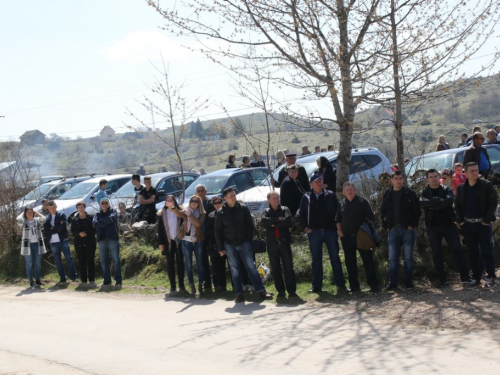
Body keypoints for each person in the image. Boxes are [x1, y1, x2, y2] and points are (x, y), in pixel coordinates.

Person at [215, 187, 273, 302]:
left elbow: (249, 226)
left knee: (251, 267)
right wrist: (220, 247)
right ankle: (239, 294)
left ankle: (261, 291)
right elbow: (218, 231)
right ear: (225, 198)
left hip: (244, 243)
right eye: (230, 196)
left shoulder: (243, 208)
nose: (233, 197)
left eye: (234, 195)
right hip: (229, 245)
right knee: (234, 270)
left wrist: (248, 240)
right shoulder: (220, 212)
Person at [419, 169, 470, 287]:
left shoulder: (446, 189)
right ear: (427, 179)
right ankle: (442, 279)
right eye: (431, 177)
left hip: (448, 225)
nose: (433, 179)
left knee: (457, 250)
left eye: (435, 176)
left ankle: (465, 276)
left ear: (439, 177)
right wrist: (438, 200)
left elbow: (449, 201)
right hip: (432, 227)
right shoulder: (424, 192)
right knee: (436, 253)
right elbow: (422, 204)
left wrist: (432, 205)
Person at [299, 175, 345, 293]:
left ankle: (340, 283)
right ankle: (317, 286)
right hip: (314, 233)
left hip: (330, 231)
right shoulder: (306, 197)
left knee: (335, 258)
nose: (319, 183)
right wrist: (305, 228)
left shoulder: (330, 195)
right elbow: (301, 215)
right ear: (311, 184)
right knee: (316, 259)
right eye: (316, 181)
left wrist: (337, 227)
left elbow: (338, 211)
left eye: (320, 181)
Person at [455, 162, 497, 289]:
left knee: (487, 251)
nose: (475, 173)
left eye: (476, 170)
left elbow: (493, 202)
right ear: (466, 173)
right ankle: (476, 276)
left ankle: (490, 276)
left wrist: (486, 220)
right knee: (473, 252)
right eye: (472, 171)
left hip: (482, 224)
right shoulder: (462, 188)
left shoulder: (486, 185)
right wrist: (461, 221)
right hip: (468, 225)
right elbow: (457, 205)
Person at [380, 171, 421, 290]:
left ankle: (408, 283)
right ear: (392, 180)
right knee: (392, 258)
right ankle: (393, 283)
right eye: (396, 178)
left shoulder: (410, 193)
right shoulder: (387, 194)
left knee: (408, 257)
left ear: (403, 180)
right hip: (392, 230)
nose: (398, 181)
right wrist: (386, 225)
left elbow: (417, 211)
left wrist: (411, 225)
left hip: (407, 230)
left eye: (400, 178)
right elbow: (382, 212)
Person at [336, 183, 379, 292]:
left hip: (362, 237)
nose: (349, 191)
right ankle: (354, 286)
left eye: (351, 189)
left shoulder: (362, 201)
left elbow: (371, 218)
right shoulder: (341, 204)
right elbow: (338, 220)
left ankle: (373, 285)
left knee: (368, 260)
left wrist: (364, 231)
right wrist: (341, 233)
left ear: (355, 190)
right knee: (350, 262)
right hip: (347, 238)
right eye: (347, 190)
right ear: (344, 192)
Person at [261, 191, 297, 298]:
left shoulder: (285, 209)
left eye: (277, 198)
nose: (276, 200)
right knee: (275, 268)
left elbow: (287, 221)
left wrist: (273, 224)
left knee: (288, 267)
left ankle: (291, 291)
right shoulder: (266, 211)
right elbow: (264, 221)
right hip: (272, 244)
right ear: (269, 200)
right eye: (274, 198)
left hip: (284, 242)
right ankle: (280, 291)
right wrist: (277, 219)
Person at [174, 195, 206, 295]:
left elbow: (198, 224)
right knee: (188, 264)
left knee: (200, 263)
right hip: (186, 240)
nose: (193, 202)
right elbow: (178, 214)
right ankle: (192, 286)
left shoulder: (202, 213)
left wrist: (189, 215)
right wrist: (172, 208)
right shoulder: (186, 211)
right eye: (192, 201)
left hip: (197, 240)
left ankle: (200, 285)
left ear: (199, 203)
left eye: (196, 201)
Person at [157, 195, 185, 293]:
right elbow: (160, 229)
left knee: (180, 262)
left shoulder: (179, 211)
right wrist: (160, 242)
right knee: (170, 263)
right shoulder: (162, 213)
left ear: (174, 201)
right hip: (167, 241)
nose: (169, 201)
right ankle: (172, 285)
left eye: (171, 200)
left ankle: (181, 284)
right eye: (167, 200)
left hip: (178, 240)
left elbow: (184, 224)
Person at [44, 201, 77, 283]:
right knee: (58, 261)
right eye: (50, 208)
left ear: (56, 206)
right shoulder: (47, 218)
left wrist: (53, 228)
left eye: (53, 207)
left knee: (68, 258)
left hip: (63, 240)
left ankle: (73, 277)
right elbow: (47, 230)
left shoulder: (61, 215)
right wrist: (56, 228)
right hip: (53, 241)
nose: (52, 209)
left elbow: (63, 227)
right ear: (48, 208)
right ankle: (62, 278)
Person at [93, 197, 122, 287]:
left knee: (116, 260)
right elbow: (95, 224)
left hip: (112, 239)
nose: (104, 205)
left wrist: (101, 222)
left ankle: (118, 280)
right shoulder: (97, 214)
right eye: (103, 203)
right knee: (103, 261)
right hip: (101, 240)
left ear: (108, 204)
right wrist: (106, 222)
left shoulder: (113, 211)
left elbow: (112, 218)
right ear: (100, 205)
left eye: (106, 203)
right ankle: (107, 280)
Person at [18, 206, 47, 288]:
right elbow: (18, 219)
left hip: (37, 244)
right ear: (25, 214)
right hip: (28, 245)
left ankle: (38, 280)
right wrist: (23, 214)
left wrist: (37, 213)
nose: (30, 214)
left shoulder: (37, 220)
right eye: (28, 212)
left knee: (37, 263)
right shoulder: (24, 222)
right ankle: (31, 281)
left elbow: (44, 218)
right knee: (29, 263)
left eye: (31, 212)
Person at [204, 196, 227, 292]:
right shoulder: (211, 215)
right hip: (214, 244)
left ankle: (226, 285)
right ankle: (217, 285)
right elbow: (207, 231)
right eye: (215, 203)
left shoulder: (226, 213)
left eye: (219, 202)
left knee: (224, 265)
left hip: (226, 243)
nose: (217, 205)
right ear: (213, 205)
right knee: (215, 265)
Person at [70, 201, 97, 286]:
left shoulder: (90, 217)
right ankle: (84, 280)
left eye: (82, 207)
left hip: (89, 242)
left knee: (90, 261)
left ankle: (92, 280)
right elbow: (72, 230)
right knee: (82, 261)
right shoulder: (74, 219)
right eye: (78, 208)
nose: (80, 209)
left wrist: (86, 233)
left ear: (84, 208)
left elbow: (94, 229)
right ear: (77, 209)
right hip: (79, 242)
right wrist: (78, 234)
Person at [195, 184, 215, 291]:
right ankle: (206, 284)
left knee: (214, 260)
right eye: (198, 191)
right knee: (202, 261)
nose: (200, 192)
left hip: (210, 235)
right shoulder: (194, 204)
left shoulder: (210, 203)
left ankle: (218, 285)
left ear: (206, 191)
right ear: (196, 193)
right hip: (199, 236)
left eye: (202, 190)